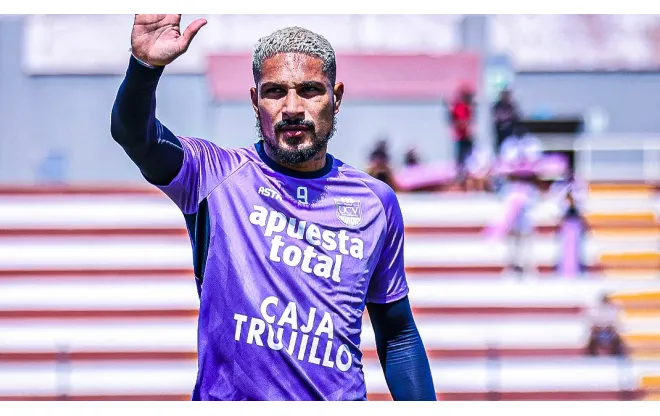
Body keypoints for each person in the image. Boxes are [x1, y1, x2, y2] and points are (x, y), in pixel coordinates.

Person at [110, 15, 436, 401]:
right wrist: (145, 67)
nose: (293, 107)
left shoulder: (375, 202)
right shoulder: (213, 175)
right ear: (254, 101)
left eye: (311, 90)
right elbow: (135, 135)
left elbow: (397, 334)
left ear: (337, 97)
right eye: (275, 92)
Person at [496, 122, 544, 277]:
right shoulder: (508, 144)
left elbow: (536, 166)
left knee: (527, 231)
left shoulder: (533, 143)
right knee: (512, 230)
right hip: (513, 189)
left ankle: (528, 264)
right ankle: (512, 264)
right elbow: (505, 167)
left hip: (528, 189)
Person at [447, 84, 476, 190]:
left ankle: (466, 179)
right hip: (461, 137)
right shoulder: (459, 106)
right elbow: (457, 121)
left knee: (468, 159)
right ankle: (460, 180)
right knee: (461, 160)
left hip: (466, 136)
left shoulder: (468, 106)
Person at [491, 88, 520, 155]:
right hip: (500, 130)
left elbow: (515, 116)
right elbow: (496, 116)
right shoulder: (497, 105)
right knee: (500, 146)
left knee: (510, 145)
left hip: (509, 130)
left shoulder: (511, 105)